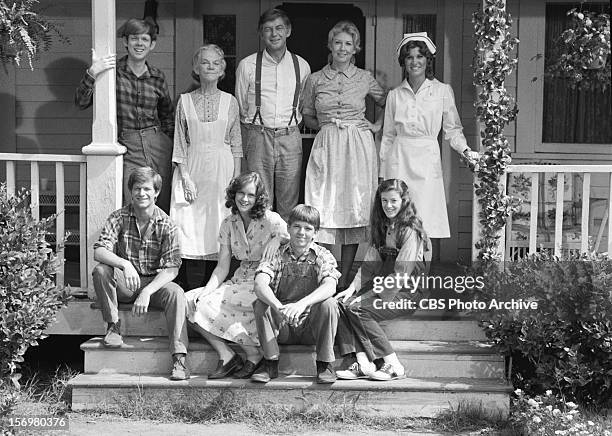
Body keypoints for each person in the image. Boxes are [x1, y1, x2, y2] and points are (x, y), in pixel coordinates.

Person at [379, 32, 479, 260]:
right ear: (403, 62)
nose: (415, 62)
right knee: (397, 220)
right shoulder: (395, 95)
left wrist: (464, 150)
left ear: (428, 60)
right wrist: (382, 174)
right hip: (399, 160)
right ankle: (399, 284)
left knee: (424, 222)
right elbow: (388, 136)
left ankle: (422, 283)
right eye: (410, 57)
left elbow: (452, 129)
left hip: (426, 161)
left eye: (419, 57)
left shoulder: (442, 91)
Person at [303, 21, 386, 289]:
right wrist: (325, 128)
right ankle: (326, 272)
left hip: (357, 147)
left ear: (355, 49)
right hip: (327, 143)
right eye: (337, 42)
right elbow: (306, 113)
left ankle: (345, 276)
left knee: (353, 205)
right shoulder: (315, 79)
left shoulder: (365, 78)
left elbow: (389, 102)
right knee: (323, 205)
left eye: (348, 44)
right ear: (330, 46)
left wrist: (375, 126)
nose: (342, 48)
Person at [185, 172, 289, 379]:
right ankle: (233, 354)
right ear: (234, 194)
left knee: (237, 301)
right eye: (240, 193)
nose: (244, 199)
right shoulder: (228, 223)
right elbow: (222, 267)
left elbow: (291, 237)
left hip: (265, 281)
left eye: (250, 195)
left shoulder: (271, 219)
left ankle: (253, 354)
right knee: (190, 300)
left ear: (258, 197)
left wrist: (279, 239)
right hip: (240, 279)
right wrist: (206, 291)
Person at [91, 167, 189, 381]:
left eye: (146, 189)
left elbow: (172, 268)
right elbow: (99, 250)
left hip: (154, 286)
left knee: (177, 293)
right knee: (101, 270)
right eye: (137, 188)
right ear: (131, 191)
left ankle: (179, 358)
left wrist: (148, 291)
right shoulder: (119, 216)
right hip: (127, 284)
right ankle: (113, 326)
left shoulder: (167, 224)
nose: (141, 193)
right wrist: (125, 264)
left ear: (156, 193)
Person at [75, 18, 175, 213]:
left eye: (145, 39)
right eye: (134, 38)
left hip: (158, 145)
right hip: (128, 143)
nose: (139, 43)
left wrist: (167, 142)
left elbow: (167, 115)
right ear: (125, 42)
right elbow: (81, 102)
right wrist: (93, 72)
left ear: (152, 44)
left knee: (161, 201)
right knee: (134, 199)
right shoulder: (113, 73)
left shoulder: (157, 76)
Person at [334, 179, 428, 381]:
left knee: (359, 308)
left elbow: (402, 273)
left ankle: (393, 364)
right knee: (342, 303)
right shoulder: (383, 227)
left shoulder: (411, 230)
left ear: (404, 201)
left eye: (393, 200)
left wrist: (368, 296)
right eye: (384, 200)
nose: (388, 205)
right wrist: (352, 289)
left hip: (407, 292)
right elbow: (369, 266)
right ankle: (363, 363)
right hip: (386, 287)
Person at [170, 44, 242, 290]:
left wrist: (236, 182)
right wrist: (185, 178)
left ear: (222, 69)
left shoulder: (230, 102)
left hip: (222, 170)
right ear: (196, 67)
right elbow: (179, 145)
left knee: (218, 225)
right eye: (205, 62)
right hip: (193, 167)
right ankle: (190, 290)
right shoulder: (185, 101)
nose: (210, 67)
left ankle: (213, 289)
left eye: (216, 63)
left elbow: (237, 145)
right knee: (189, 226)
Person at [251, 205, 341, 384]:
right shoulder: (276, 254)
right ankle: (270, 362)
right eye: (297, 226)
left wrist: (302, 305)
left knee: (329, 303)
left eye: (308, 229)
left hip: (310, 327)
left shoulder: (323, 255)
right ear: (288, 228)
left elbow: (330, 285)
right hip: (282, 326)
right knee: (261, 303)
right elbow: (259, 284)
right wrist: (279, 307)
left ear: (315, 233)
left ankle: (325, 363)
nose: (302, 232)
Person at [235, 8, 311, 220]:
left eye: (279, 28)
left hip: (290, 135)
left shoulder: (302, 66)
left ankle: (285, 250)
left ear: (288, 31)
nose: (274, 34)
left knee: (289, 200)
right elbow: (240, 107)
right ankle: (259, 251)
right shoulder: (247, 65)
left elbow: (303, 103)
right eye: (268, 29)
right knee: (258, 197)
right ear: (261, 33)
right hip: (258, 135)